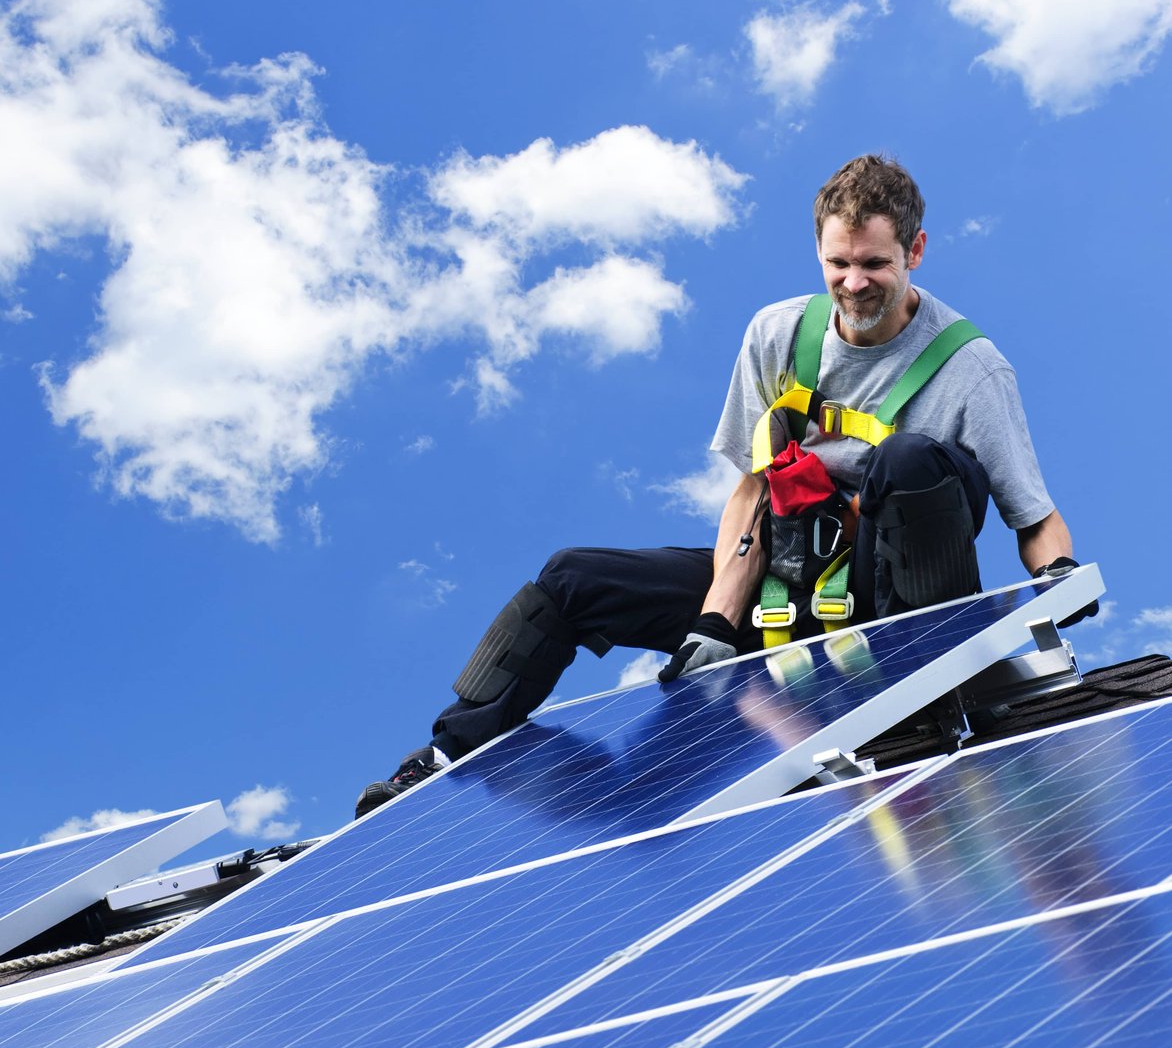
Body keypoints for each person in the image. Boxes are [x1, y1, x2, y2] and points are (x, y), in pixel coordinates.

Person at [356, 154, 1091, 818]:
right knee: (570, 580)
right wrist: (714, 621)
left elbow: (1035, 518)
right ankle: (448, 756)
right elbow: (752, 488)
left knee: (909, 460)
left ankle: (918, 689)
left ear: (916, 251)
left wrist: (1057, 579)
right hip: (782, 583)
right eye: (838, 264)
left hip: (890, 599)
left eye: (874, 264)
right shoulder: (776, 336)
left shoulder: (971, 367)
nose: (854, 283)